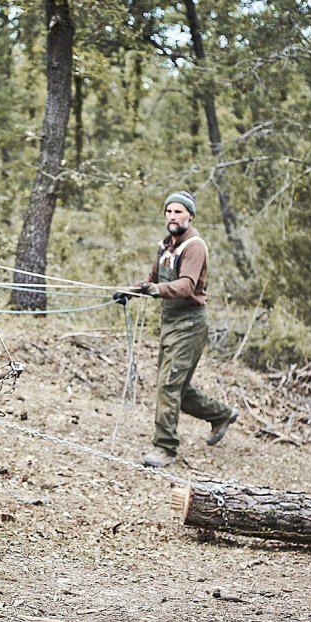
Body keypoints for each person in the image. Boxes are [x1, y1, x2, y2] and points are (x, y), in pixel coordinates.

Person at [115, 191, 238, 468]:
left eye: (179, 212)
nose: (173, 216)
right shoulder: (165, 246)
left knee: (168, 386)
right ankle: (221, 414)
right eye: (169, 212)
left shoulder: (194, 246)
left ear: (190, 216)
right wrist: (130, 292)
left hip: (191, 324)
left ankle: (165, 448)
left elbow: (186, 285)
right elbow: (151, 280)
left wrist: (157, 290)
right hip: (170, 325)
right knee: (176, 389)